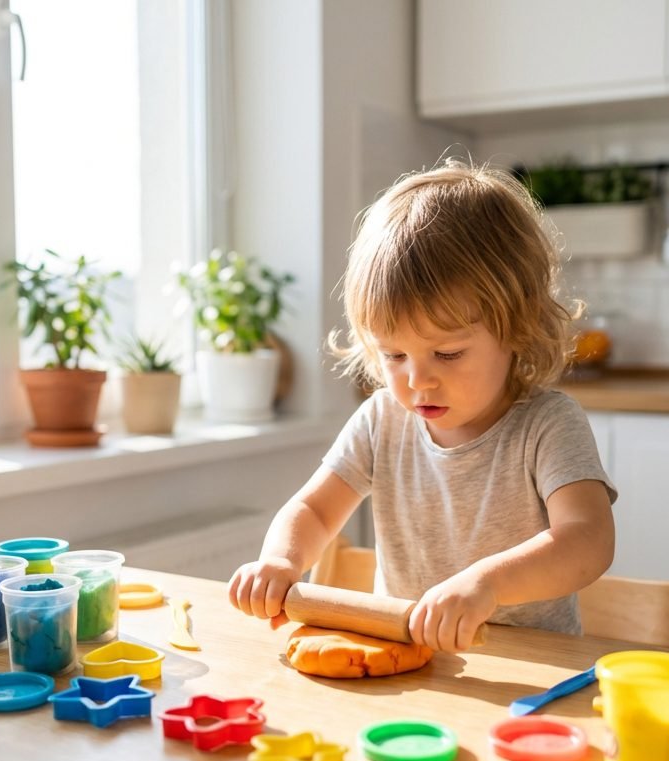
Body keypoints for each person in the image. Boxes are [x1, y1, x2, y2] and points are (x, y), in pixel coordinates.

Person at [228, 160, 616, 652]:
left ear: (517, 327)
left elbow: (588, 539)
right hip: (406, 661)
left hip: (530, 675)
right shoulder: (381, 420)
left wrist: (487, 584)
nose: (417, 380)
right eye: (393, 354)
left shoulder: (547, 425)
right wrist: (280, 560)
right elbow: (314, 509)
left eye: (448, 354)